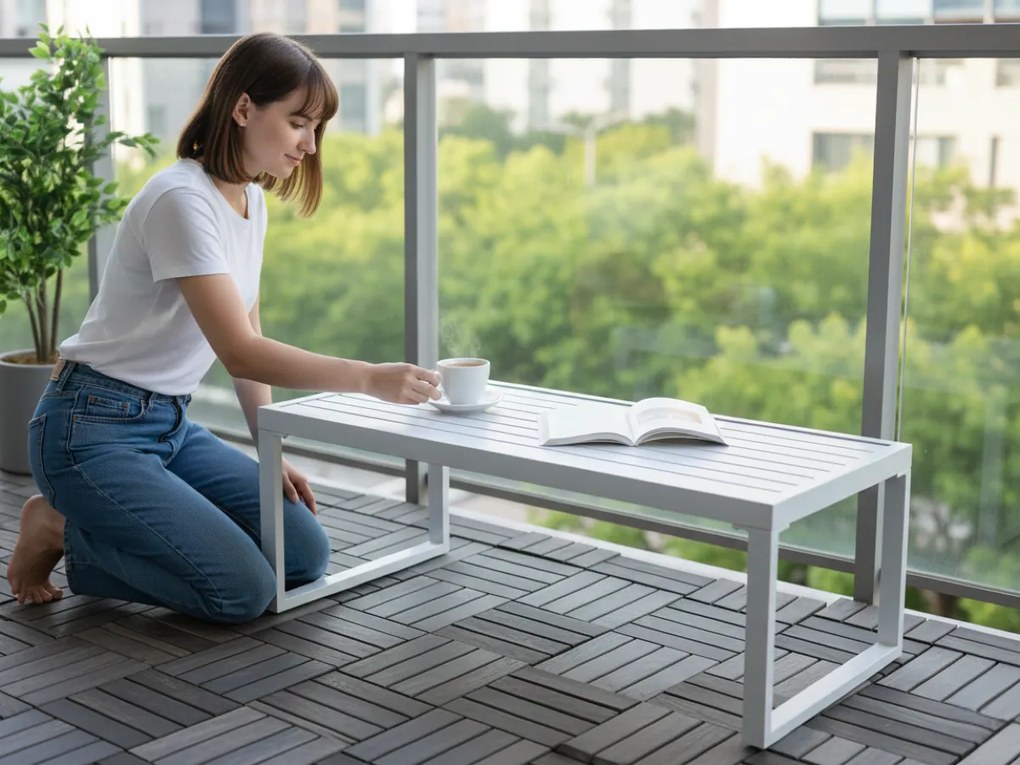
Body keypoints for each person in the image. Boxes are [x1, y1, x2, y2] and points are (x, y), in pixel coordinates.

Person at [6, 32, 441, 623]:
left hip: (171, 425)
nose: (310, 145)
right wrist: (367, 378)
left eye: (317, 129)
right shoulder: (179, 201)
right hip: (89, 430)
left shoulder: (249, 201)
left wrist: (268, 449)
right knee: (241, 590)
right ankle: (58, 530)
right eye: (298, 123)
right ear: (243, 108)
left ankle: (100, 525)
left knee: (305, 554)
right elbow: (241, 353)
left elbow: (249, 328)